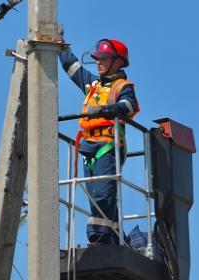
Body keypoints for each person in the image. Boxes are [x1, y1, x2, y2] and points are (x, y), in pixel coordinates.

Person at [59, 38, 140, 245]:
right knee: (96, 197)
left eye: (103, 58)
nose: (98, 62)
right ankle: (112, 237)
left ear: (118, 62)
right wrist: (62, 46)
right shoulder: (93, 85)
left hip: (107, 147)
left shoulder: (123, 87)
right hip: (88, 150)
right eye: (97, 58)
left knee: (104, 194)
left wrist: (105, 110)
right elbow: (74, 69)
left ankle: (101, 240)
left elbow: (128, 106)